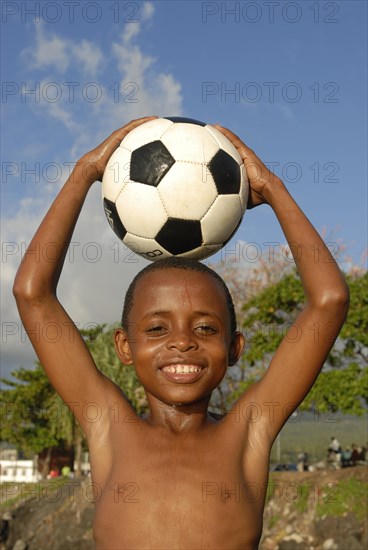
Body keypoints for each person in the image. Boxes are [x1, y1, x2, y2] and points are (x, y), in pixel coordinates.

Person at [13, 117, 349, 549]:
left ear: (234, 348)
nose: (182, 342)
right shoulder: (107, 425)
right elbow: (32, 293)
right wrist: (84, 173)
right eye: (156, 327)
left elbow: (330, 301)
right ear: (124, 346)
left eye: (206, 327)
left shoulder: (249, 429)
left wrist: (275, 190)